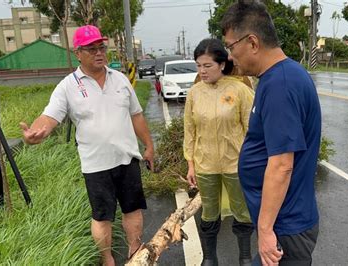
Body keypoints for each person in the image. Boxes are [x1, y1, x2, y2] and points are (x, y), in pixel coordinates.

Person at [19, 25, 154, 266]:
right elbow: (49, 116)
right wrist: (38, 131)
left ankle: (135, 248)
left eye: (101, 47)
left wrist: (149, 146)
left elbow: (137, 115)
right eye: (91, 49)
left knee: (133, 209)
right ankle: (107, 258)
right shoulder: (67, 87)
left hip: (128, 158)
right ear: (77, 53)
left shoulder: (120, 79)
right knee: (102, 217)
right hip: (96, 165)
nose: (99, 53)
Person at [221, 2, 321, 265]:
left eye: (231, 46)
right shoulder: (276, 77)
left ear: (252, 42)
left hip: (286, 226)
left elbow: (281, 165)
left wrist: (265, 231)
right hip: (284, 222)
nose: (230, 56)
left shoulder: (280, 84)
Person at [184, 38, 254, 266]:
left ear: (222, 64)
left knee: (242, 212)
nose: (202, 71)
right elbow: (190, 131)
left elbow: (252, 129)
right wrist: (191, 164)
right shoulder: (194, 93)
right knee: (209, 213)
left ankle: (245, 256)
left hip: (236, 164)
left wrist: (252, 163)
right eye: (198, 66)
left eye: (207, 66)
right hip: (205, 164)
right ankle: (209, 258)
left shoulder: (240, 90)